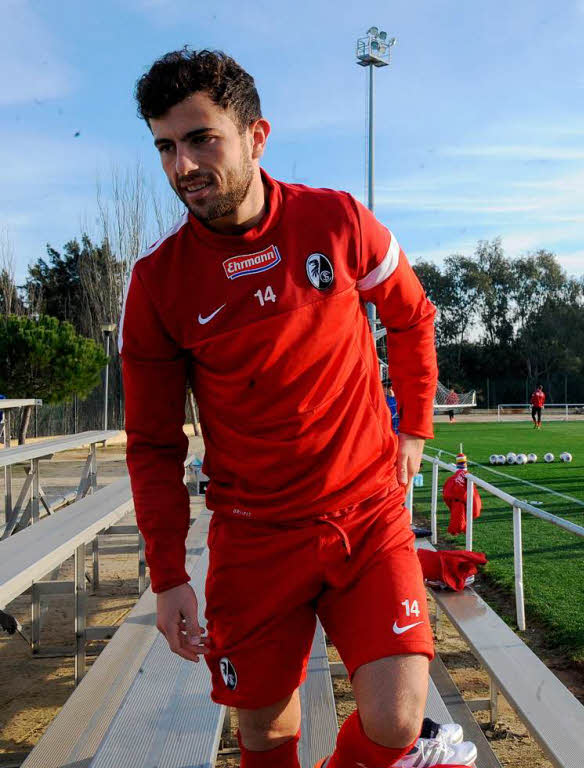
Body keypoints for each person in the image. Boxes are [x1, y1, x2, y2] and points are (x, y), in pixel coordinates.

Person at [122, 49, 474, 768]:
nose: (182, 165)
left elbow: (412, 318)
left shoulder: (337, 220)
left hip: (366, 516)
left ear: (257, 136)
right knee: (266, 736)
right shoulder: (158, 283)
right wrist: (168, 576)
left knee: (399, 719)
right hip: (255, 537)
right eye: (166, 146)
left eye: (200, 139)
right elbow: (153, 443)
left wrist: (415, 426)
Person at [442, 452, 481, 536]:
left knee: (457, 524)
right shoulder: (466, 477)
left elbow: (446, 495)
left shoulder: (451, 479)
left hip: (456, 502)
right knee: (458, 525)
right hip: (460, 503)